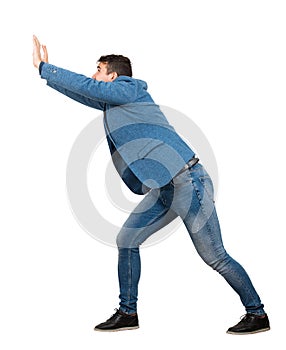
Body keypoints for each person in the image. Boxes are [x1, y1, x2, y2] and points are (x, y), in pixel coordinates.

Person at [32, 35, 270, 335]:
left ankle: (257, 313)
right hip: (166, 187)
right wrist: (45, 74)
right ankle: (128, 312)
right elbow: (86, 94)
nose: (94, 75)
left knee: (215, 256)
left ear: (113, 76)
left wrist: (45, 66)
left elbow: (88, 87)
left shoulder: (128, 89)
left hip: (188, 181)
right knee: (127, 240)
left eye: (98, 69)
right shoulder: (116, 101)